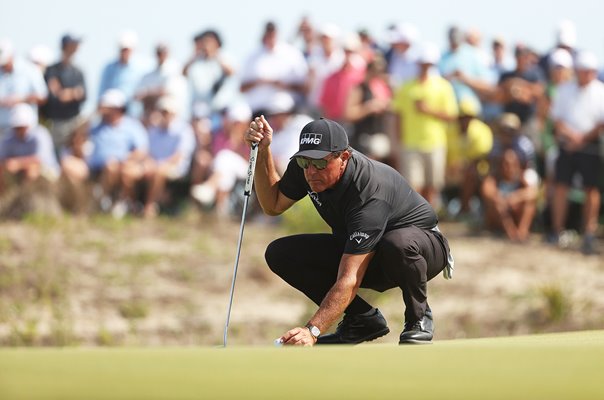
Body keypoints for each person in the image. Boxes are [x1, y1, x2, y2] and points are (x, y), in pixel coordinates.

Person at [245, 117, 454, 346]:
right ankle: (362, 320)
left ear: (343, 157)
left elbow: (350, 278)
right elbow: (272, 204)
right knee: (280, 253)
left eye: (321, 163)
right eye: (306, 162)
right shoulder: (306, 166)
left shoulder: (369, 189)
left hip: (422, 250)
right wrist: (263, 150)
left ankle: (419, 318)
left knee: (397, 243)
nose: (312, 171)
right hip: (371, 250)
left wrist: (312, 331)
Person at [548, 51, 604, 255]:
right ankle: (557, 231)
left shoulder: (600, 91)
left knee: (591, 189)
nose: (586, 75)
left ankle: (588, 232)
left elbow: (600, 124)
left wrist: (581, 139)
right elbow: (557, 119)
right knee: (561, 186)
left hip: (590, 148)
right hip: (567, 146)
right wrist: (573, 137)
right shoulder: (565, 90)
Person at [392, 43, 458, 208]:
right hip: (410, 143)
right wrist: (398, 141)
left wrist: (428, 110)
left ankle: (428, 221)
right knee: (413, 186)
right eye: (422, 63)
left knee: (432, 185)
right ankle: (417, 220)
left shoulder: (443, 86)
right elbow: (398, 115)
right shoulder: (406, 86)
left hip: (435, 142)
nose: (425, 67)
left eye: (428, 64)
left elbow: (451, 115)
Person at [142, 96, 195, 218]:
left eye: (167, 112)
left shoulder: (184, 130)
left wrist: (158, 164)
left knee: (159, 171)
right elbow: (147, 152)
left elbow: (179, 156)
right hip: (155, 165)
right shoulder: (153, 130)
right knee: (131, 172)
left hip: (175, 167)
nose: (164, 115)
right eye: (162, 111)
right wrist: (150, 163)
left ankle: (150, 205)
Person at [240, 21, 308, 115]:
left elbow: (304, 87)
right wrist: (259, 81)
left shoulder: (292, 54)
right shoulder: (252, 56)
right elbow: (242, 88)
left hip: (286, 110)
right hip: (258, 110)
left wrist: (285, 85)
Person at [343, 55, 393, 166]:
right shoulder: (359, 88)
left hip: (379, 135)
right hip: (363, 137)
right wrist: (368, 107)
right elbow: (348, 114)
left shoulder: (383, 86)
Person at [0, 103, 59, 196]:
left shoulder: (41, 135)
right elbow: (3, 160)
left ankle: (29, 201)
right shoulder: (9, 138)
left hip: (48, 172)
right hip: (19, 172)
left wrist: (17, 164)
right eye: (17, 127)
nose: (19, 130)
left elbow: (39, 160)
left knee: (31, 171)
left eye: (22, 127)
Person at [481, 148, 538, 242]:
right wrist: (503, 200)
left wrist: (516, 197)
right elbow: (487, 191)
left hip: (515, 213)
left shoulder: (521, 178)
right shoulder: (495, 178)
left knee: (529, 204)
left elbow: (533, 193)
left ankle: (522, 232)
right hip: (498, 217)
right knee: (498, 206)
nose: (509, 167)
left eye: (513, 164)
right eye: (506, 164)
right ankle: (511, 233)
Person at [43, 33, 87, 152]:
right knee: (56, 153)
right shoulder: (52, 70)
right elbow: (56, 96)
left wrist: (67, 93)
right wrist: (73, 93)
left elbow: (83, 95)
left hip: (75, 120)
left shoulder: (78, 71)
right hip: (57, 122)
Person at [183, 29, 236, 126]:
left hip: (221, 110)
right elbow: (184, 72)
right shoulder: (197, 60)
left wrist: (215, 55)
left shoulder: (224, 57)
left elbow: (231, 72)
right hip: (201, 111)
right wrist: (195, 55)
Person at [0, 38, 48, 137]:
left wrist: (21, 99)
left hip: (26, 131)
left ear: (11, 55)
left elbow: (42, 96)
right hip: (2, 130)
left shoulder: (29, 69)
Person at [134, 42, 186, 128]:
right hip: (151, 115)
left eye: (163, 53)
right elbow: (138, 96)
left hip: (170, 115)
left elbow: (167, 92)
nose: (161, 55)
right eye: (159, 53)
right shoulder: (148, 75)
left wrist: (149, 93)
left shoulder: (175, 70)